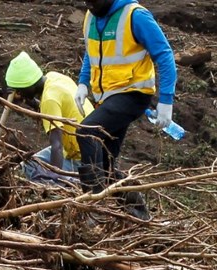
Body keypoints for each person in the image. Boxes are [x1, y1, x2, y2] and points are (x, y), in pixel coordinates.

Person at [73, 0, 177, 220]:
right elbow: (91, 51)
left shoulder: (135, 16)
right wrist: (83, 82)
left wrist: (166, 100)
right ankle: (140, 216)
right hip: (108, 98)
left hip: (134, 94)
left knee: (86, 131)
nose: (89, 5)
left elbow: (164, 54)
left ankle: (94, 211)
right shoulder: (91, 16)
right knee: (108, 165)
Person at [4, 51, 94, 185]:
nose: (18, 94)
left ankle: (67, 183)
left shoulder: (49, 99)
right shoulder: (54, 77)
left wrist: (53, 179)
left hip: (85, 160)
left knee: (35, 174)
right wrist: (31, 101)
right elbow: (53, 109)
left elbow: (57, 146)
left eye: (20, 90)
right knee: (29, 165)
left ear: (29, 84)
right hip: (88, 149)